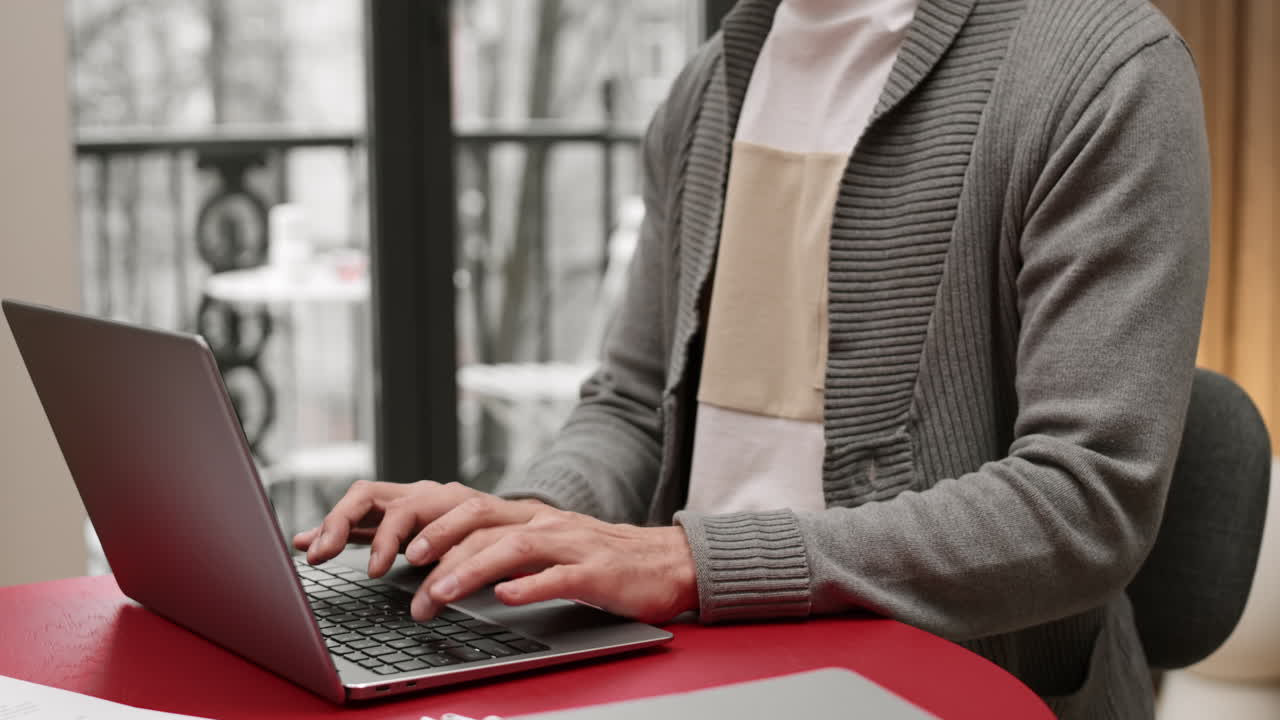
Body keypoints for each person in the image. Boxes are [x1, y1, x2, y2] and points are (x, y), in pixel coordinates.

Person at [296, 0, 1210, 716]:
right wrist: (526, 525)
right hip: (688, 668)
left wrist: (691, 562)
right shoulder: (711, 83)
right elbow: (628, 403)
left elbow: (1086, 501)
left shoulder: (1107, 71)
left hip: (950, 688)